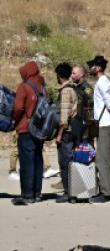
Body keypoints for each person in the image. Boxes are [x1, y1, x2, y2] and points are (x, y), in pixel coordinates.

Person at [11, 61, 46, 206]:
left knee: (26, 162)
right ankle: (37, 193)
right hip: (40, 129)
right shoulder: (42, 87)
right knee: (38, 160)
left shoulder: (24, 87)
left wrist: (15, 119)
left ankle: (27, 195)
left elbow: (18, 107)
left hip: (26, 129)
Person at [88, 55, 110, 204]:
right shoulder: (101, 82)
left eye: (92, 65)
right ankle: (103, 191)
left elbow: (109, 102)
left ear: (98, 67)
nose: (90, 68)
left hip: (106, 124)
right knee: (100, 159)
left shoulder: (103, 82)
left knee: (102, 160)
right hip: (103, 124)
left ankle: (106, 193)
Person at [54, 63, 81, 204]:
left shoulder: (65, 91)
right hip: (75, 130)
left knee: (65, 163)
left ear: (59, 76)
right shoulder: (74, 89)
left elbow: (64, 118)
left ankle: (69, 193)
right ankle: (74, 191)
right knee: (71, 162)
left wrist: (59, 134)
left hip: (67, 132)